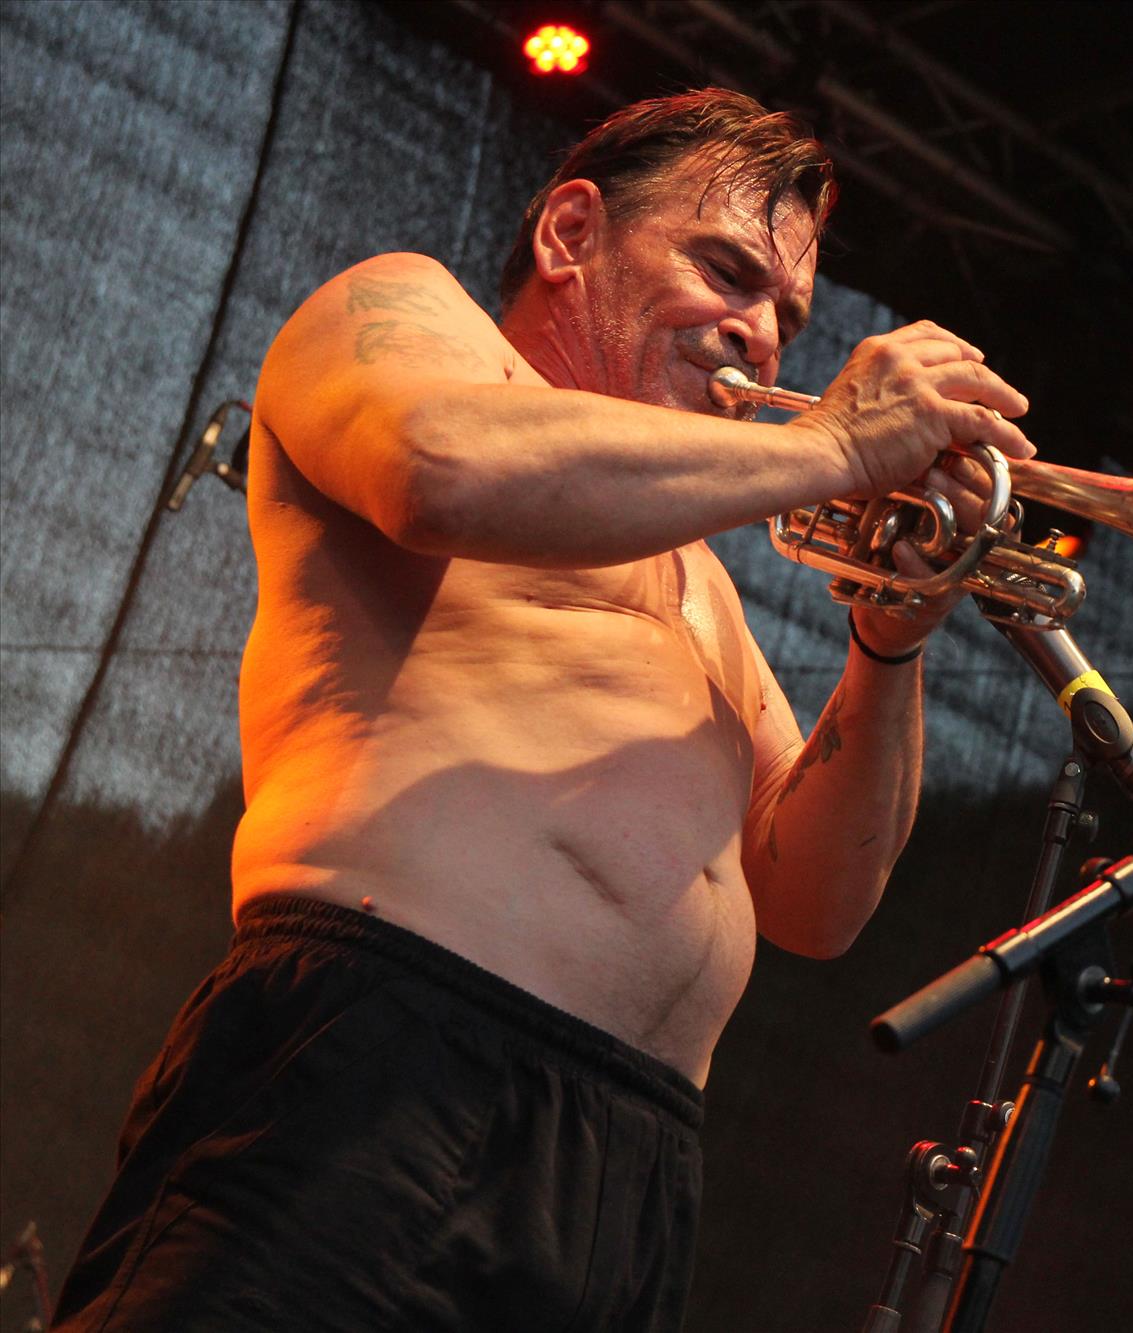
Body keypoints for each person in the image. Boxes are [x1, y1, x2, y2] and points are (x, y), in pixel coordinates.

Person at [55, 89, 1033, 1330]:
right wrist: (843, 446)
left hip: (629, 1164)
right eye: (726, 271)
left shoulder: (704, 586)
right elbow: (440, 469)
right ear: (572, 232)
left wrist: (889, 638)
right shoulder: (407, 312)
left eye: (786, 316)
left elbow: (814, 900)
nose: (759, 333)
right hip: (387, 1052)